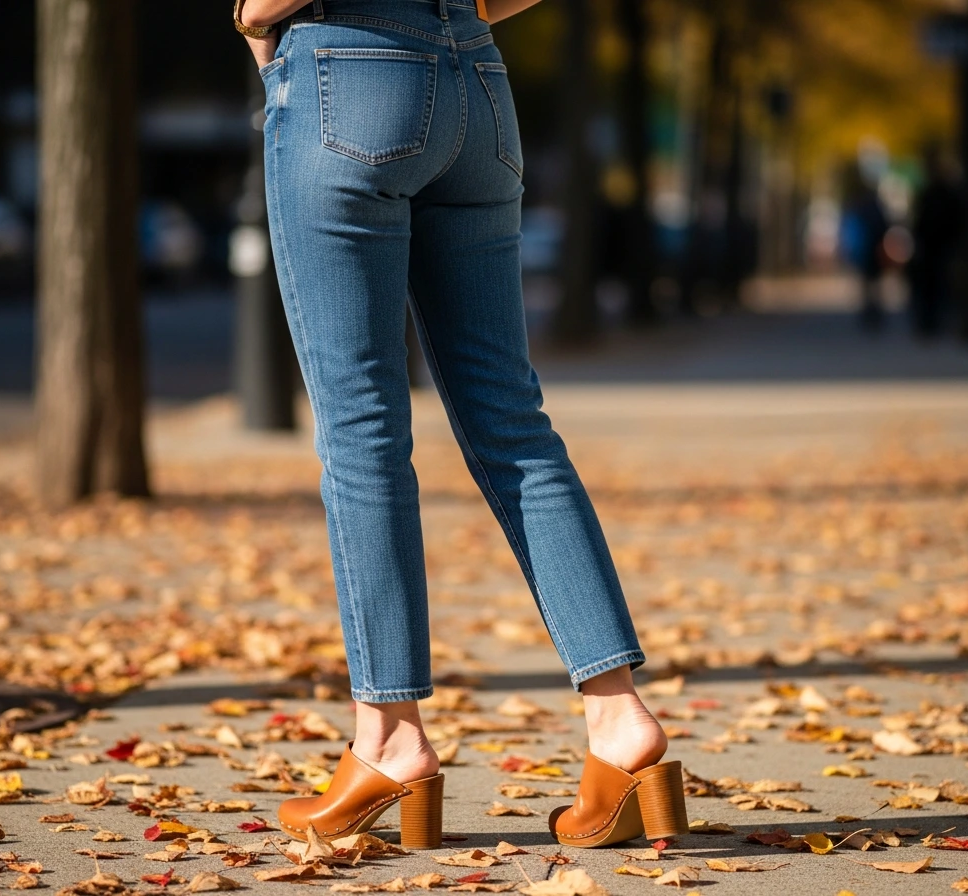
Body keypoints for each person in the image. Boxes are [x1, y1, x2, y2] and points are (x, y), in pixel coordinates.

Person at [233, 0, 687, 850]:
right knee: (514, 420)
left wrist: (257, 24)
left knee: (364, 431)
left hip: (345, 65)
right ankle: (620, 720)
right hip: (477, 82)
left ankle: (390, 740)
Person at [906, 145, 964, 339]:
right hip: (936, 247)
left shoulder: (933, 194)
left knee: (933, 288)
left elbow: (919, 221)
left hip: (934, 247)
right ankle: (931, 323)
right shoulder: (940, 194)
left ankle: (929, 324)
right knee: (935, 287)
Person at [839, 164, 890, 332]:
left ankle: (868, 311)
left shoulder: (858, 207)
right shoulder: (876, 206)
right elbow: (884, 226)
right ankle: (875, 312)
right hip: (876, 249)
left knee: (867, 283)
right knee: (875, 283)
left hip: (865, 251)